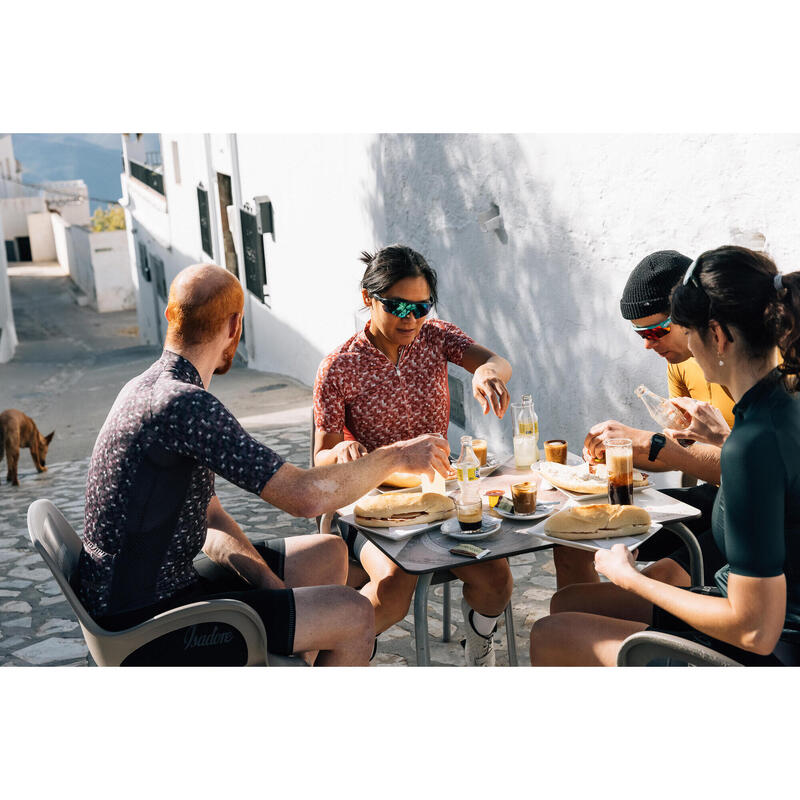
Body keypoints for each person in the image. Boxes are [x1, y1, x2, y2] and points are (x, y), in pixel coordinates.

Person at [76, 263, 450, 666]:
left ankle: (294, 656)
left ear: (170, 316)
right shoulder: (185, 405)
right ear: (236, 326)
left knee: (328, 552)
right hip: (145, 623)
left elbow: (210, 517)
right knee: (354, 613)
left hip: (138, 593)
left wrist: (273, 589)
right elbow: (305, 497)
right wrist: (398, 456)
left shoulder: (145, 386)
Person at [531, 245, 800, 666]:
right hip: (750, 610)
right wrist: (722, 438)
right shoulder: (781, 403)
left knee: (552, 634)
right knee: (569, 601)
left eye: (686, 331)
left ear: (718, 336)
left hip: (770, 650)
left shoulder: (754, 443)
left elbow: (754, 631)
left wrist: (631, 580)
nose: (687, 346)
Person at [313, 244, 514, 666]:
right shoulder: (339, 367)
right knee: (391, 591)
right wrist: (343, 450)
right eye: (397, 305)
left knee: (496, 579)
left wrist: (487, 372)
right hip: (370, 505)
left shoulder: (435, 337)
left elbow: (493, 360)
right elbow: (321, 459)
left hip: (438, 496)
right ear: (369, 299)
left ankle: (478, 647)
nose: (411, 319)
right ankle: (323, 658)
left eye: (422, 307)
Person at [554, 250, 734, 590]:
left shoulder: (746, 363)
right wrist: (627, 452)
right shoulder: (680, 361)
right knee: (572, 534)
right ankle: (582, 623)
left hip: (756, 511)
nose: (649, 346)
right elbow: (688, 454)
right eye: (641, 335)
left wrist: (653, 446)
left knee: (658, 579)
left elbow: (748, 467)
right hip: (718, 499)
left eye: (657, 331)